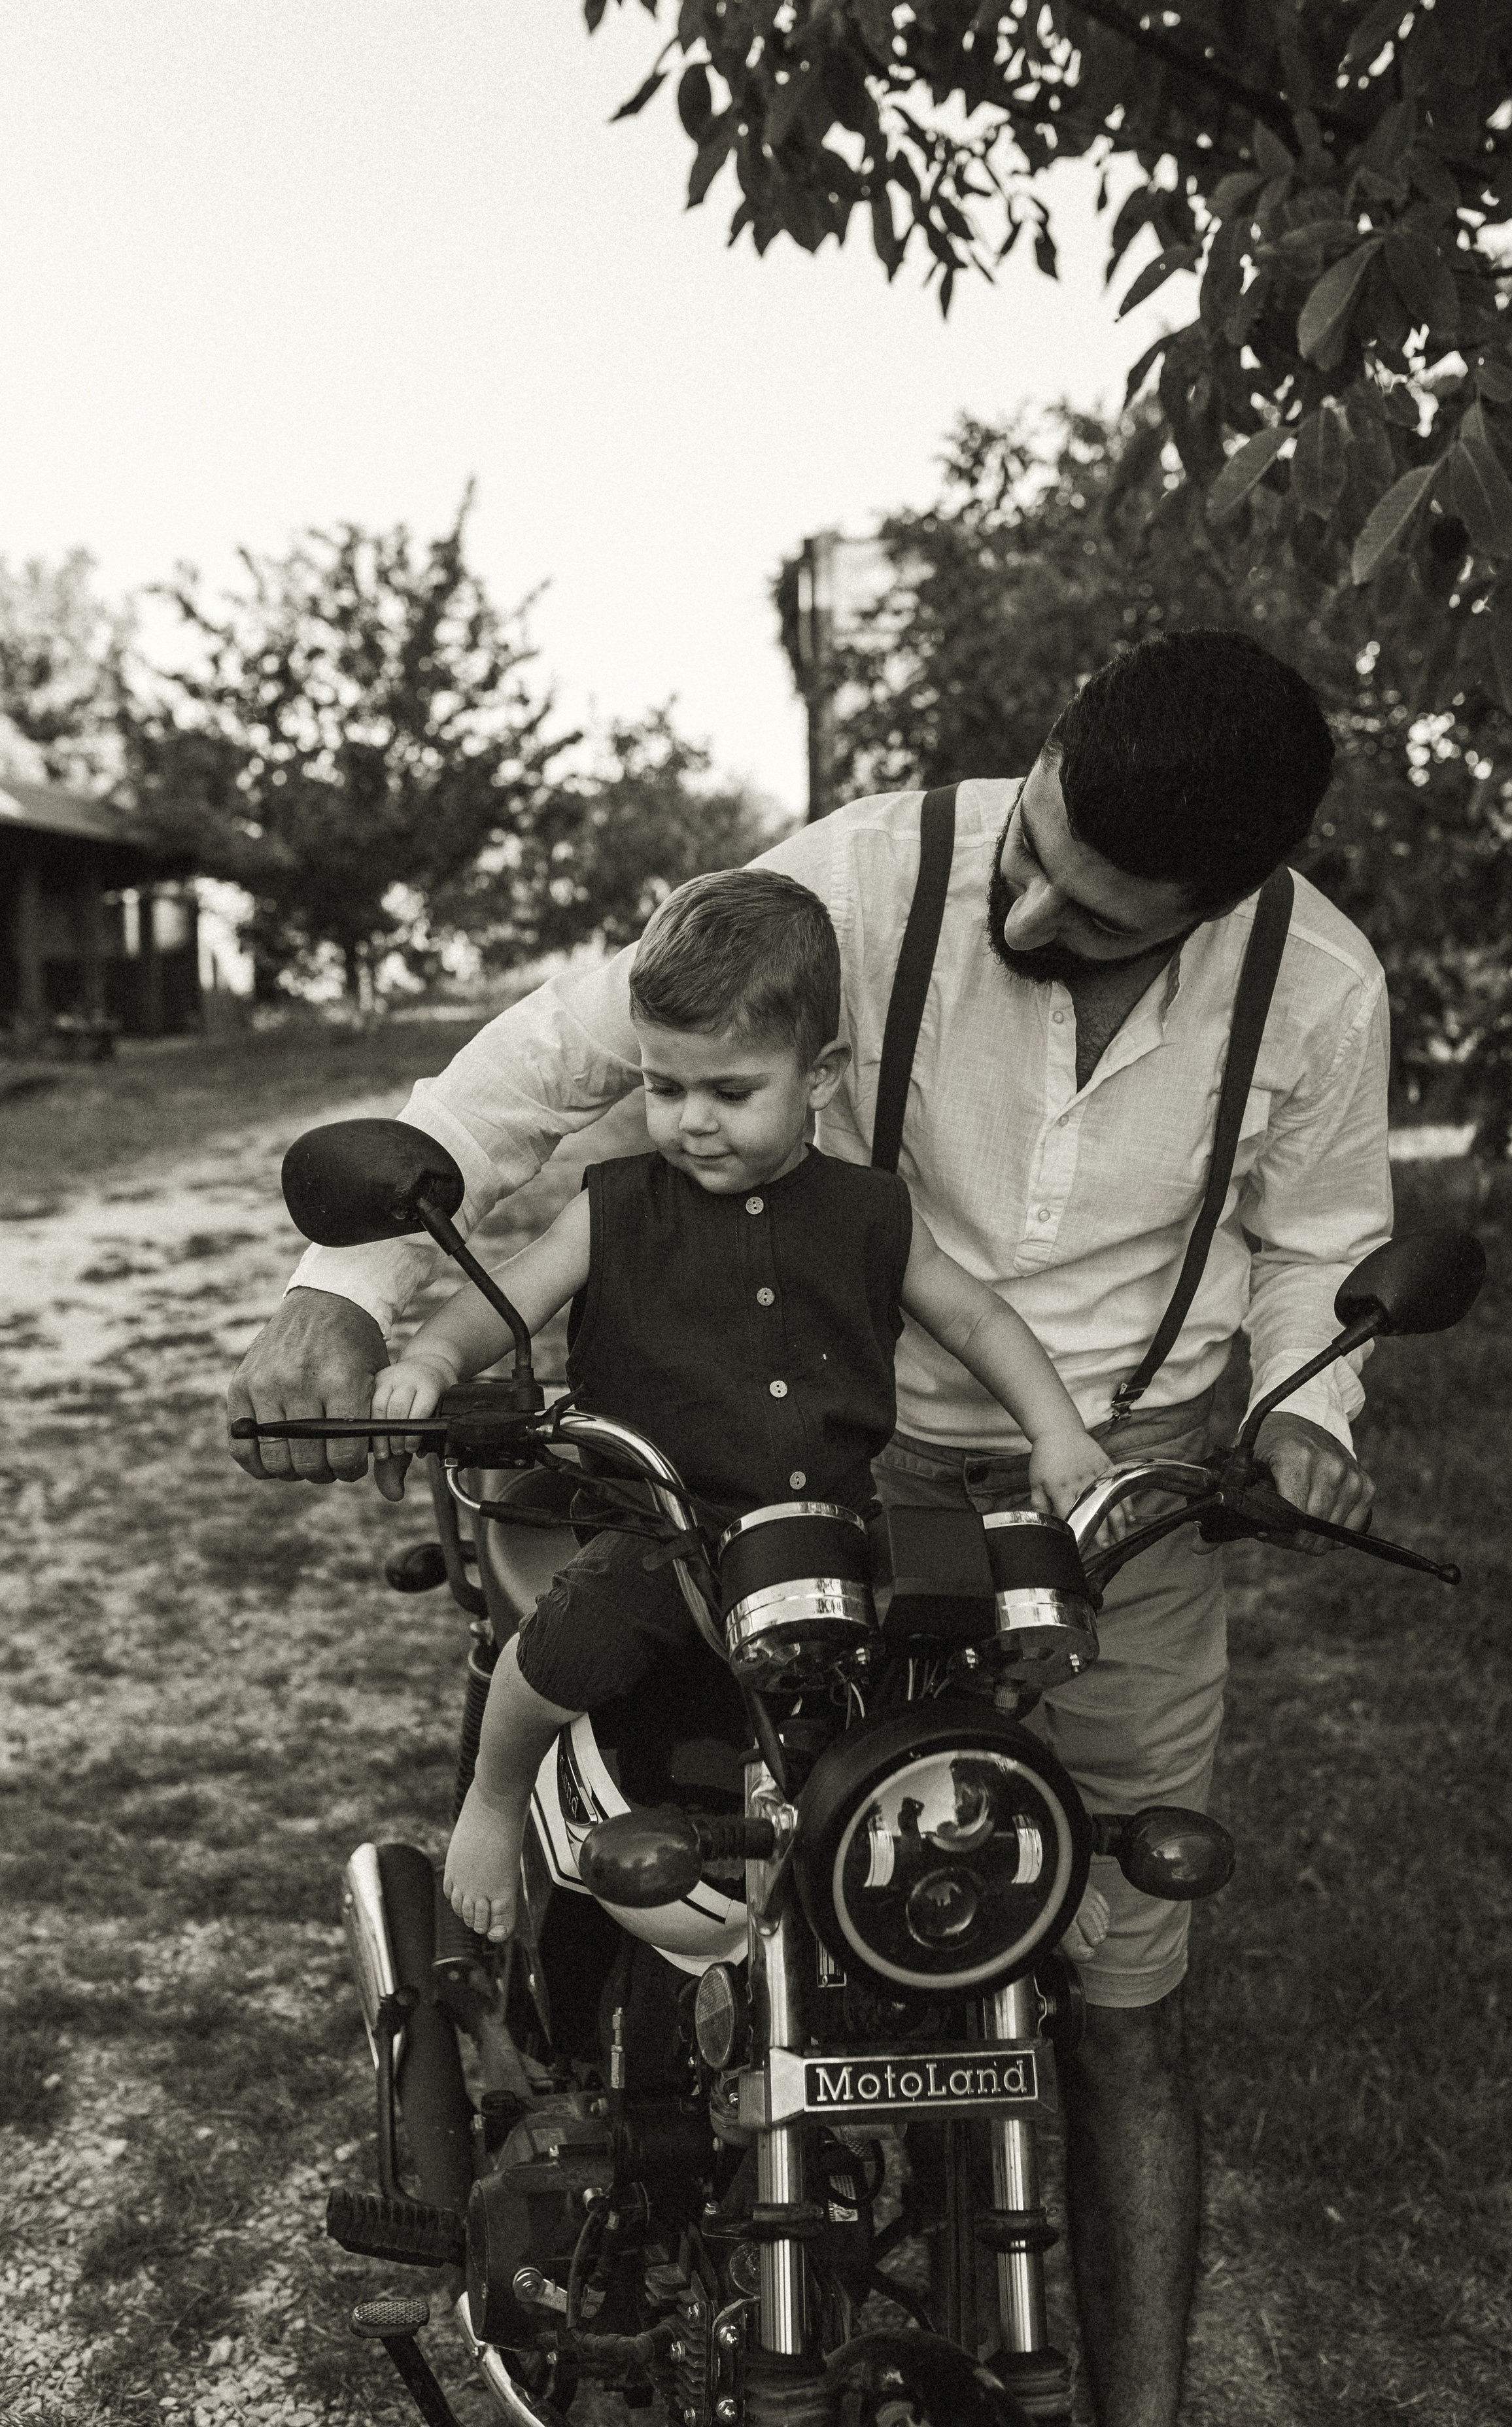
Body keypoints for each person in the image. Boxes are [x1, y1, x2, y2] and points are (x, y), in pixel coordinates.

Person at [230, 630, 1392, 2427]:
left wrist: (1308, 1413)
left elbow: (1324, 1246)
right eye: (1036, 853)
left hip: (1106, 1491)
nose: (1032, 915)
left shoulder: (1316, 991)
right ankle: (650, 2153)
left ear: (1224, 906)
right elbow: (545, 1063)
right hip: (820, 1480)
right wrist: (351, 1292)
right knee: (739, 1854)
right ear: (1055, 736)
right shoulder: (851, 882)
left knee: (1113, 1960)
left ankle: (1135, 2409)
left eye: (1095, 914)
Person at [367, 867, 1120, 1942]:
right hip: (664, 1526)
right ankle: (495, 1800)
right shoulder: (617, 1206)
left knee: (965, 1662)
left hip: (831, 1524)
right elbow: (505, 1300)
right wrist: (432, 1364)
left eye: (729, 1092)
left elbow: (979, 1320)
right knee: (566, 1650)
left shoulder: (869, 1213)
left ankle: (1024, 1848)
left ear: (820, 1075)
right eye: (663, 1089)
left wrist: (1056, 1429)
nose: (689, 1123)